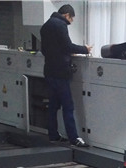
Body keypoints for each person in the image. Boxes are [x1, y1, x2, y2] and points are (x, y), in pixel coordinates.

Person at [40, 4, 92, 147]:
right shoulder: (60, 25)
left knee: (53, 106)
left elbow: (45, 50)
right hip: (61, 73)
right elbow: (67, 46)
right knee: (68, 106)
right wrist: (85, 49)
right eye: (71, 19)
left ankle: (53, 136)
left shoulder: (45, 26)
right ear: (67, 15)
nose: (71, 22)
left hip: (49, 71)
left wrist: (60, 53)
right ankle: (74, 138)